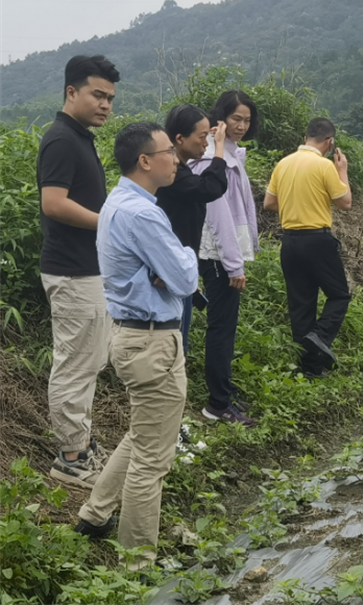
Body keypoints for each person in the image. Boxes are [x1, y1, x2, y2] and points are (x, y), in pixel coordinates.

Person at [73, 122, 198, 571]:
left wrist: (165, 268)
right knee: (152, 458)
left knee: (142, 434)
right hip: (152, 340)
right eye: (169, 151)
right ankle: (136, 561)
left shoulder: (119, 201)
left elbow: (169, 275)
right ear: (145, 160)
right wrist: (181, 257)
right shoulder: (143, 214)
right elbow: (184, 278)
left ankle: (94, 513)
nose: (176, 158)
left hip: (133, 336)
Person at [37, 54, 120, 489]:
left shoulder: (79, 137)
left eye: (109, 97)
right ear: (72, 92)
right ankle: (71, 458)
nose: (105, 104)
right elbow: (54, 203)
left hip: (88, 271)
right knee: (74, 365)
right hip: (71, 273)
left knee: (88, 360)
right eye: (97, 94)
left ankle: (81, 446)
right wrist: (107, 221)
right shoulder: (62, 140)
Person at [189, 90, 259, 425]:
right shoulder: (212, 160)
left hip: (224, 255)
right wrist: (234, 264)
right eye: (236, 119)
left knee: (225, 327)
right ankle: (217, 403)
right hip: (218, 257)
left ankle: (225, 392)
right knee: (221, 328)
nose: (242, 125)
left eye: (246, 119)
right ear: (221, 118)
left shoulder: (232, 155)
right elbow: (217, 218)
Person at [263, 118, 352, 377]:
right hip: (317, 239)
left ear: (305, 138)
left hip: (289, 241)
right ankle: (320, 335)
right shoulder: (324, 166)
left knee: (301, 305)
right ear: (329, 142)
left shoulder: (284, 164)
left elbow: (269, 203)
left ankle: (310, 370)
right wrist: (342, 170)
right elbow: (345, 202)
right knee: (339, 295)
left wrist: (294, 203)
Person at [155, 104, 228, 355]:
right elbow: (209, 188)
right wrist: (221, 148)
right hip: (167, 273)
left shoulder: (179, 169)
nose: (206, 142)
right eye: (202, 136)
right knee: (173, 348)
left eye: (210, 136)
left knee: (177, 344)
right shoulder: (172, 173)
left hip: (178, 270)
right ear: (179, 138)